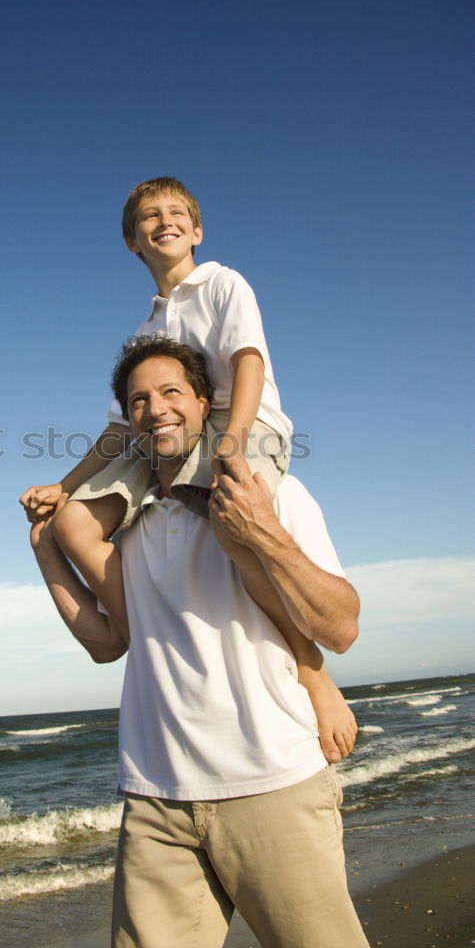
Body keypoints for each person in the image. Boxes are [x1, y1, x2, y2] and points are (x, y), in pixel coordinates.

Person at [29, 337, 368, 948]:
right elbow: (108, 643)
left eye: (169, 393)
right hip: (156, 801)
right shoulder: (126, 528)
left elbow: (341, 626)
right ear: (126, 423)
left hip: (273, 785)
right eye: (137, 401)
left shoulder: (275, 494)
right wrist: (47, 556)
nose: (154, 408)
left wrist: (266, 534)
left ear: (204, 402)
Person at [20, 177, 355, 762]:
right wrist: (63, 486)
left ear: (196, 231)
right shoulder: (145, 331)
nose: (165, 221)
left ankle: (311, 668)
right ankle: (132, 629)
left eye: (177, 213)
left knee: (231, 521)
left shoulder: (222, 283)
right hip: (164, 444)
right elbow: (121, 429)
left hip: (240, 427)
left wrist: (233, 441)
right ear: (133, 241)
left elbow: (247, 363)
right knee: (73, 524)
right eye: (150, 216)